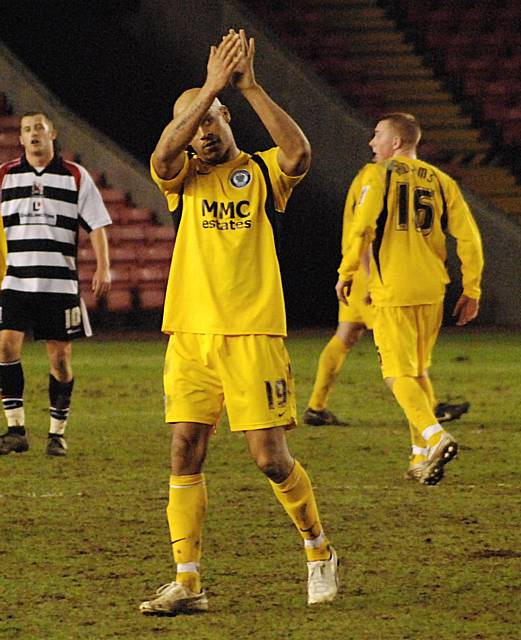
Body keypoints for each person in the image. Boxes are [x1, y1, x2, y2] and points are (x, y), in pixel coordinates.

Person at [139, 29, 338, 615]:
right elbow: (160, 155)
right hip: (191, 335)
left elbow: (300, 154)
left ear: (225, 118)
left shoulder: (258, 171)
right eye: (193, 122)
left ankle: (318, 550)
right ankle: (189, 582)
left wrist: (247, 87)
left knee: (269, 458)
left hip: (252, 333)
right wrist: (207, 89)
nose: (201, 133)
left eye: (209, 120)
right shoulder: (182, 177)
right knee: (184, 451)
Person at [335, 113, 483, 485]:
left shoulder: (377, 175)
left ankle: (435, 436)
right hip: (433, 287)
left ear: (397, 143)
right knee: (417, 370)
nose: (372, 142)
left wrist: (347, 272)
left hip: (394, 289)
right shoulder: (443, 181)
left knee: (395, 374)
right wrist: (472, 288)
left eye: (378, 135)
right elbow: (469, 237)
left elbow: (362, 228)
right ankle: (419, 456)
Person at [303, 166, 471, 428]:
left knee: (347, 334)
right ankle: (430, 411)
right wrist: (373, 277)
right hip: (373, 271)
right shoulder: (378, 177)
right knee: (405, 349)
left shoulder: (368, 177)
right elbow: (371, 233)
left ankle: (316, 407)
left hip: (357, 269)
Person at [0, 111, 111, 457]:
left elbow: (97, 225)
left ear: (52, 134)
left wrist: (104, 268)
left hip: (59, 284)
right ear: (20, 139)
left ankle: (56, 434)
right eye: (27, 130)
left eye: (39, 128)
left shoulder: (75, 177)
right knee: (4, 349)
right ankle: (15, 429)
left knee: (60, 361)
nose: (33, 134)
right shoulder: (4, 176)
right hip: (16, 280)